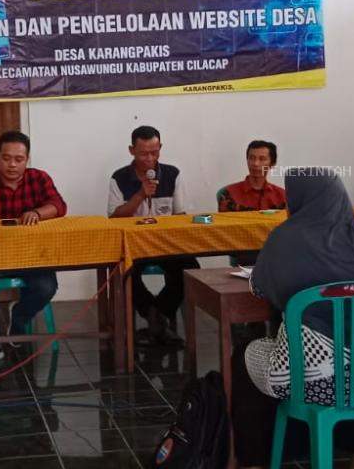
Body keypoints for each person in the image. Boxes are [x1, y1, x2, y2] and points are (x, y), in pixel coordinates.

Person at [231, 167, 354, 469]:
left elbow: (259, 288)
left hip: (311, 381)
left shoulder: (284, 238)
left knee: (244, 356)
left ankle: (252, 467)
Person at [0, 130, 67, 369]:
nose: (12, 164)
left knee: (46, 286)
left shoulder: (39, 178)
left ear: (27, 159)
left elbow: (58, 205)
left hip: (30, 255)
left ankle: (19, 318)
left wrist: (37, 213)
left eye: (18, 159)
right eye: (6, 158)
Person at [107, 125, 198, 345]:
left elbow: (180, 215)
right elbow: (114, 217)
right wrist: (140, 194)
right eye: (143, 153)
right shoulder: (119, 178)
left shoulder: (172, 174)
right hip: (133, 247)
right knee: (124, 272)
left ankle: (158, 314)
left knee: (190, 268)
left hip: (166, 244)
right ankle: (152, 315)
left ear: (160, 148)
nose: (149, 158)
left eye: (154, 152)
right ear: (131, 150)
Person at [218, 140, 286, 212]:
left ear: (272, 163)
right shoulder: (228, 193)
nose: (255, 163)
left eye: (262, 159)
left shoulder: (283, 196)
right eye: (252, 158)